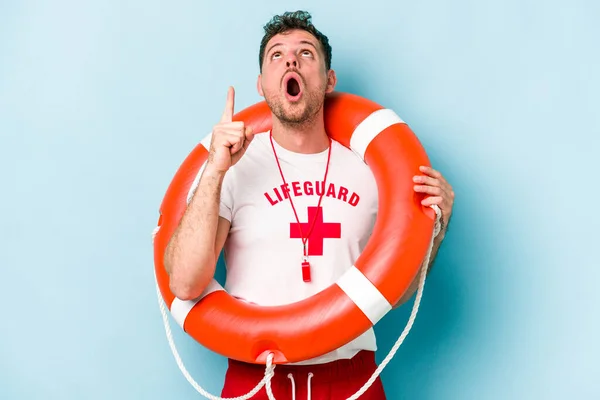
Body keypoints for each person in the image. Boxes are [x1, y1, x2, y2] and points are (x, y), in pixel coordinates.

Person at [164, 10, 455, 400]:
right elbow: (184, 283)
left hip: (351, 378)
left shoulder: (371, 173)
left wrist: (434, 229)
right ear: (263, 84)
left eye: (306, 54)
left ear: (329, 80)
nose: (291, 61)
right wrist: (214, 170)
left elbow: (393, 291)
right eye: (277, 55)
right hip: (256, 378)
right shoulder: (232, 168)